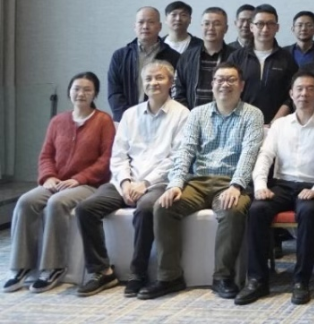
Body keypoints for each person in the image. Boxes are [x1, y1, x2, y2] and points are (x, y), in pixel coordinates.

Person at [141, 62, 264, 301]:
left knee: (233, 209)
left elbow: (250, 153)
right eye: (219, 80)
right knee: (164, 206)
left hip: (230, 182)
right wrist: (175, 184)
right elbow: (185, 151)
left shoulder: (253, 114)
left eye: (231, 80)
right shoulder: (198, 113)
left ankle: (223, 276)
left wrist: (236, 185)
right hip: (197, 181)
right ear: (212, 84)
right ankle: (169, 277)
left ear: (241, 85)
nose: (224, 84)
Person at [74, 62, 190, 297]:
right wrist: (126, 182)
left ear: (170, 82)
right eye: (148, 79)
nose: (153, 83)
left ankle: (138, 273)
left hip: (159, 182)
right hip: (126, 181)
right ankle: (101, 271)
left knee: (146, 208)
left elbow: (177, 158)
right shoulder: (130, 114)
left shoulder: (183, 114)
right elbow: (118, 155)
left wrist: (144, 184)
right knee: (86, 208)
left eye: (159, 78)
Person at [235, 71, 314, 306]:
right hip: (282, 184)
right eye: (299, 89)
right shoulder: (280, 125)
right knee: (257, 209)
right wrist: (260, 185)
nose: (304, 93)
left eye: (310, 88)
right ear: (291, 94)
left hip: (313, 185)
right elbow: (265, 156)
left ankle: (301, 281)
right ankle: (257, 280)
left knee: (308, 211)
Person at [4, 73, 115, 294]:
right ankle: (21, 266)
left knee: (57, 203)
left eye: (87, 89)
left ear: (95, 94)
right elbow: (46, 155)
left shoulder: (103, 121)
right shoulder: (57, 121)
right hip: (56, 181)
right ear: (69, 91)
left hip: (88, 184)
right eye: (76, 88)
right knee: (26, 201)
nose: (81, 93)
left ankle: (53, 267)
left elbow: (106, 159)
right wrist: (48, 177)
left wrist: (79, 179)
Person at [107, 6, 181, 121]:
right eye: (141, 22)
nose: (145, 26)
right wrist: (128, 118)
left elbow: (176, 91)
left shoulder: (174, 57)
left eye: (151, 22)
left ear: (159, 27)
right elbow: (114, 92)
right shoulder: (120, 56)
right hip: (126, 120)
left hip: (163, 119)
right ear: (134, 26)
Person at [231, 4, 299, 123]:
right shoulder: (237, 57)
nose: (265, 29)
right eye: (260, 24)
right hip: (241, 122)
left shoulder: (287, 58)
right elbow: (229, 90)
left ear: (277, 27)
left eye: (270, 24)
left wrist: (275, 122)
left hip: (278, 125)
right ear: (252, 27)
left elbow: (292, 94)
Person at [174, 7, 234, 110]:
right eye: (206, 24)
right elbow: (178, 90)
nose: (211, 28)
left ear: (226, 28)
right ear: (201, 27)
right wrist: (187, 114)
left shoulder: (235, 56)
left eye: (217, 24)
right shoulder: (187, 57)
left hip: (226, 116)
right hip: (191, 115)